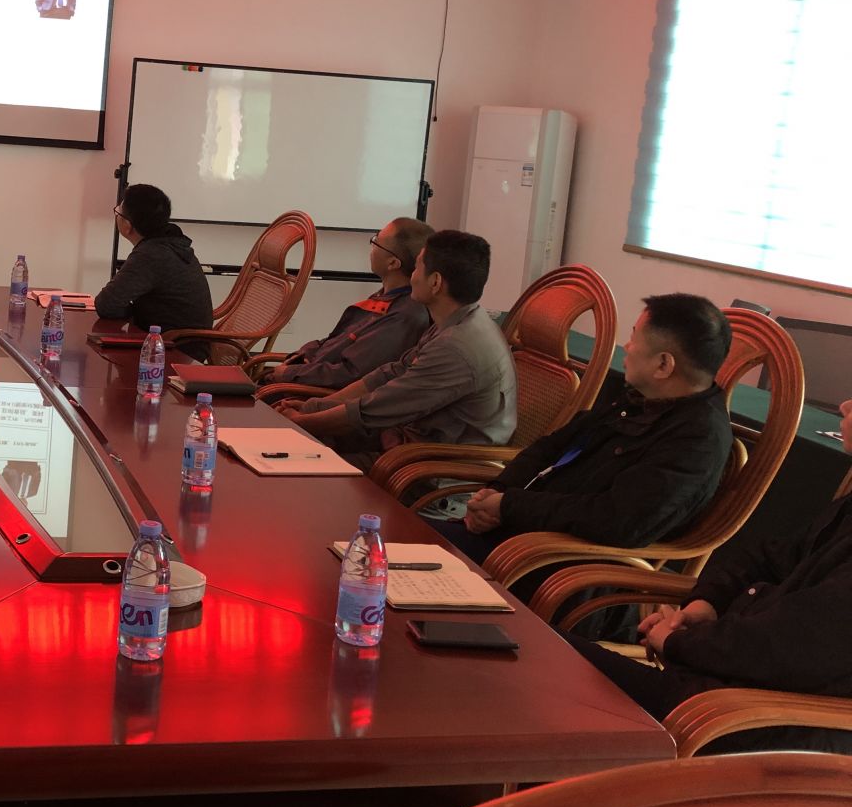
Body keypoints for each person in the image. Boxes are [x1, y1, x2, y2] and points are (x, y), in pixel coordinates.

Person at [564, 398, 852, 754]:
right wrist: (707, 604)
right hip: (715, 692)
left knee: (542, 670)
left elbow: (794, 644)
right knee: (539, 657)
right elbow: (767, 558)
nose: (844, 405)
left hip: (749, 728)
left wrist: (678, 642)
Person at [427, 294, 734, 566]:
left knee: (408, 554)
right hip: (517, 535)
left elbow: (616, 519)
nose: (627, 347)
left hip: (545, 562)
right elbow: (550, 447)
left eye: (634, 338)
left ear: (664, 365)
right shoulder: (641, 400)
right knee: (407, 542)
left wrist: (508, 507)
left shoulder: (697, 440)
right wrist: (498, 491)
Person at [274, 230, 515, 470]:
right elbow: (391, 373)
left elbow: (377, 409)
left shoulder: (455, 347)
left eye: (417, 268)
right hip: (406, 443)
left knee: (296, 467)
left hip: (431, 467)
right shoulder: (455, 321)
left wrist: (302, 423)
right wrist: (314, 406)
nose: (411, 276)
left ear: (435, 282)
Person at [259, 218, 433, 389]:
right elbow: (334, 343)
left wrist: (289, 374)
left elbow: (350, 374)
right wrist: (303, 354)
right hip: (305, 376)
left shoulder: (403, 317)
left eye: (376, 242)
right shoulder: (385, 298)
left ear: (393, 263)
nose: (371, 248)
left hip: (310, 394)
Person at [95, 184, 213, 342]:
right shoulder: (171, 244)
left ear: (128, 226)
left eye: (118, 212)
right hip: (180, 342)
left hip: (175, 347)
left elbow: (106, 304)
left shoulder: (151, 255)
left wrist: (131, 313)